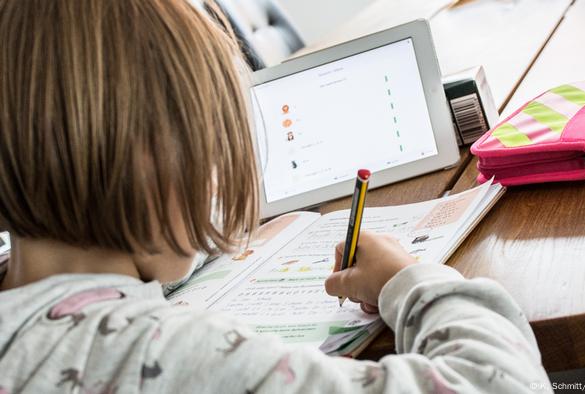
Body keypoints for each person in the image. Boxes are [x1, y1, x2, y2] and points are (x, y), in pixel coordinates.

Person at [0, 0, 551, 392]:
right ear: (156, 169)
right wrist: (409, 281)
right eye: (213, 157)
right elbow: (499, 381)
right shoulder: (169, 357)